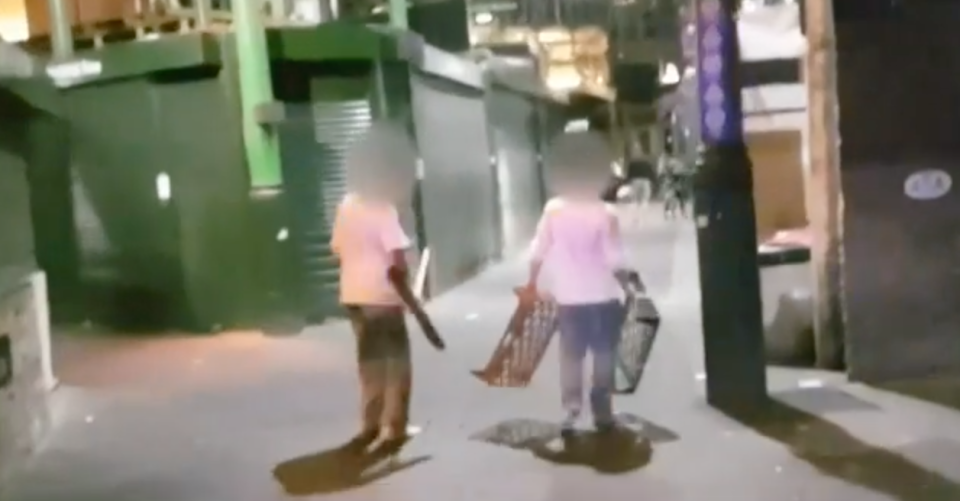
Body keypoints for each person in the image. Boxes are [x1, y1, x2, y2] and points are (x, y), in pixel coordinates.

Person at [524, 132, 628, 435]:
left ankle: (571, 410)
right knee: (604, 353)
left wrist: (531, 283)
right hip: (604, 295)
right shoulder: (606, 212)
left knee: (571, 355)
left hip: (569, 297)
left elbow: (537, 250)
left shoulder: (554, 210)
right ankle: (603, 412)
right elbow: (615, 259)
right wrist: (631, 286)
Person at [330, 126, 417, 452]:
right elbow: (397, 260)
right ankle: (393, 429)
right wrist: (408, 296)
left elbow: (337, 248)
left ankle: (369, 424)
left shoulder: (346, 205)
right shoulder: (383, 208)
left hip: (353, 296)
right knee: (396, 363)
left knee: (368, 363)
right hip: (383, 297)